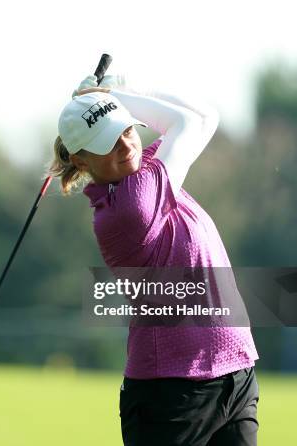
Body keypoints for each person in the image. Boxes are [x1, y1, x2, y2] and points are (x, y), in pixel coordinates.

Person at [49, 75, 260, 446]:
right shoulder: (131, 206)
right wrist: (113, 94)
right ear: (81, 158)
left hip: (234, 376)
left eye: (126, 128)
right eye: (107, 142)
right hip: (171, 397)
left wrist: (117, 93)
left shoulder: (146, 171)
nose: (124, 144)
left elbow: (206, 116)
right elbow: (188, 123)